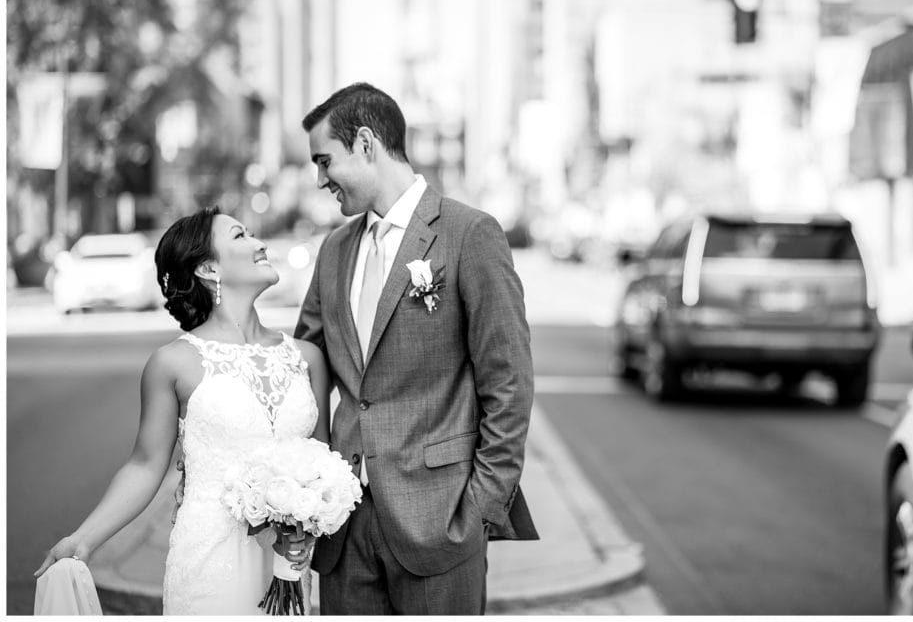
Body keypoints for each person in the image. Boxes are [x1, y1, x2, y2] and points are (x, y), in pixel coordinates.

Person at [296, 82, 538, 615]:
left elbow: (510, 383)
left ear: (364, 144)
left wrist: (477, 510)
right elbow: (302, 369)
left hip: (441, 522)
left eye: (324, 161)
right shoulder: (333, 251)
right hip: (344, 528)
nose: (319, 180)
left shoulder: (469, 234)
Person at [34, 208, 332, 615]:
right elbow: (144, 466)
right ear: (209, 267)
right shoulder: (173, 364)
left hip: (291, 566)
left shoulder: (307, 358)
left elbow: (323, 464)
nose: (260, 243)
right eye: (241, 236)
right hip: (210, 563)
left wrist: (307, 527)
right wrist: (83, 540)